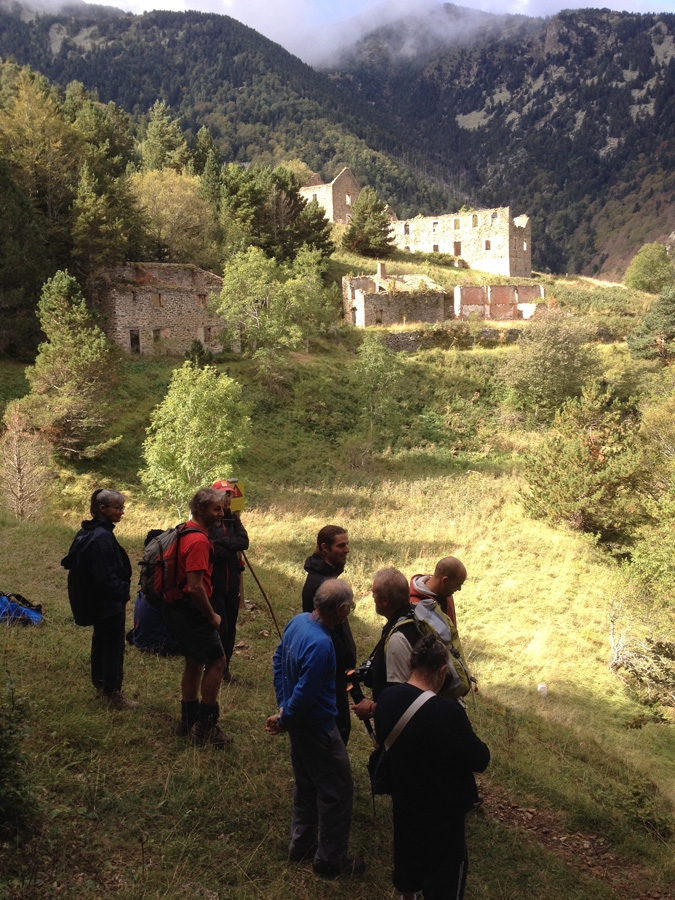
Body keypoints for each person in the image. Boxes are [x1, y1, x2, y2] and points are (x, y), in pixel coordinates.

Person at [374, 634, 490, 900]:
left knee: (408, 864)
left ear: (411, 664)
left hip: (404, 803)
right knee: (445, 878)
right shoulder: (448, 713)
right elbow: (480, 759)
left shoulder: (386, 700)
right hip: (443, 814)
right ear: (441, 671)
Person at [266, 579, 365, 879]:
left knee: (306, 785)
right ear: (342, 609)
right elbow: (307, 695)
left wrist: (284, 708)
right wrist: (285, 717)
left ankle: (301, 846)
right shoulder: (322, 644)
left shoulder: (298, 623)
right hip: (319, 730)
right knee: (337, 792)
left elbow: (278, 660)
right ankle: (329, 861)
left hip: (300, 728)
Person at [162, 487, 230, 747]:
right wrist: (211, 616)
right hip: (192, 611)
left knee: (194, 662)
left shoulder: (184, 529)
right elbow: (195, 587)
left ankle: (187, 720)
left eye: (222, 508)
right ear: (200, 510)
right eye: (216, 509)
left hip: (176, 609)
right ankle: (206, 727)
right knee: (218, 661)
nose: (221, 513)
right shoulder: (199, 540)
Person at [62, 488, 137, 710]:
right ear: (102, 509)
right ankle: (113, 692)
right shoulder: (101, 537)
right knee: (112, 646)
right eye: (117, 508)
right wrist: (123, 592)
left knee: (101, 642)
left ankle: (101, 685)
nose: (121, 512)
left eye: (122, 508)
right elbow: (105, 576)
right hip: (108, 602)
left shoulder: (88, 531)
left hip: (97, 601)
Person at [301, 526, 356, 744]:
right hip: (330, 667)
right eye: (341, 545)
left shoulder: (327, 577)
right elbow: (329, 630)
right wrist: (345, 661)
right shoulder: (321, 584)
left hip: (336, 665)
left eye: (347, 544)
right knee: (336, 726)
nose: (347, 550)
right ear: (324, 548)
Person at [352, 567, 417, 723]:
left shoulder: (398, 639)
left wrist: (372, 709)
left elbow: (402, 699)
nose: (372, 597)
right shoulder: (415, 615)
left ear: (385, 600)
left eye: (374, 593)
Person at [209, 479, 249, 684]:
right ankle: (214, 667)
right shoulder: (207, 519)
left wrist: (222, 543)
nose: (227, 498)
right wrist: (227, 546)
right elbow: (209, 550)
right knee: (220, 628)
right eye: (223, 494)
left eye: (229, 494)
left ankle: (225, 670)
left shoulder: (233, 518)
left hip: (231, 583)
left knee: (231, 628)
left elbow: (244, 541)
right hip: (212, 585)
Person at [409, 556, 467, 626]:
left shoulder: (447, 594)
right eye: (457, 585)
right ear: (445, 580)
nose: (459, 589)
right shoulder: (414, 606)